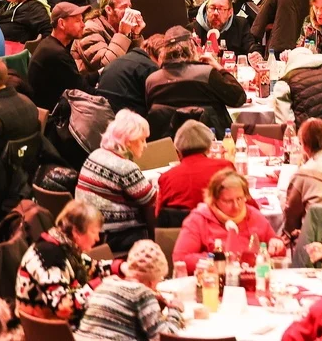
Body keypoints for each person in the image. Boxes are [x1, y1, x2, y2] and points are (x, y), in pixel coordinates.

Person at [16, 199, 111, 324]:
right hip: (48, 331)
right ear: (76, 231)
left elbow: (91, 266)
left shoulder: (63, 244)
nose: (97, 238)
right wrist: (97, 284)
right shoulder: (50, 257)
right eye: (94, 232)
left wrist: (122, 267)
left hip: (54, 325)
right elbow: (64, 307)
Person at [75, 111, 156, 253]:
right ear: (129, 141)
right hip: (112, 236)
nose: (145, 145)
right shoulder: (125, 167)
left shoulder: (96, 154)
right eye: (142, 140)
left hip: (88, 228)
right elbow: (152, 200)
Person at [144, 26, 247, 136]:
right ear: (192, 48)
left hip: (168, 145)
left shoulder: (152, 80)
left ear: (163, 52)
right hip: (210, 141)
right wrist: (219, 68)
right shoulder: (207, 73)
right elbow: (238, 98)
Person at [72, 240, 183, 341]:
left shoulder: (105, 284)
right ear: (152, 281)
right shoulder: (142, 293)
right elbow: (163, 338)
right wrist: (175, 310)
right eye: (159, 280)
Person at [173, 169, 282, 267]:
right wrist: (218, 259)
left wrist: (276, 244)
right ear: (214, 200)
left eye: (239, 198)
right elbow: (180, 259)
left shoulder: (253, 215)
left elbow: (278, 252)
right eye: (228, 201)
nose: (236, 206)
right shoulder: (198, 219)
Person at [153, 121, 232, 222]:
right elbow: (246, 204)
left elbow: (159, 215)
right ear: (208, 147)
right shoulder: (224, 167)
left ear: (178, 150)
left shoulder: (166, 177)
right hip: (219, 230)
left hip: (177, 233)